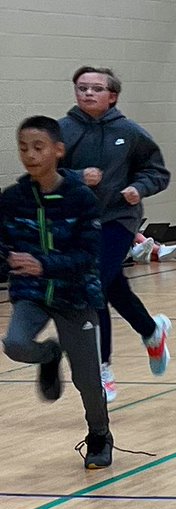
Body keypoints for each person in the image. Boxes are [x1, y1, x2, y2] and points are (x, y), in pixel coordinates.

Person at [0, 116, 115, 469]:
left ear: (58, 150)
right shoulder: (12, 199)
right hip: (31, 294)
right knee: (15, 344)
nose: (30, 155)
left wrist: (44, 265)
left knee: (88, 379)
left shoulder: (80, 198)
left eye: (38, 147)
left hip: (75, 296)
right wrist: (8, 260)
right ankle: (49, 356)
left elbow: (87, 256)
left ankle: (99, 434)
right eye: (23, 148)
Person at [60, 66, 172, 404]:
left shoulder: (129, 132)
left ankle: (102, 368)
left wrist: (139, 188)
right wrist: (77, 176)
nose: (88, 94)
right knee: (112, 285)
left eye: (96, 88)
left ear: (113, 96)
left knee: (95, 285)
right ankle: (152, 331)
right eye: (82, 88)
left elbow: (157, 171)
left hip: (117, 219)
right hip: (77, 221)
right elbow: (43, 172)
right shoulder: (61, 131)